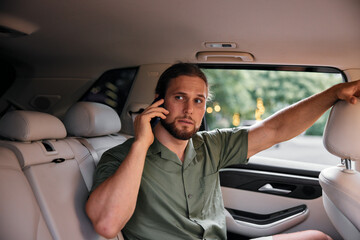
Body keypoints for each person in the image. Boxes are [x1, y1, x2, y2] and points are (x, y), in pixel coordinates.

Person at [86, 63, 359, 240]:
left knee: (317, 239)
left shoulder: (210, 146)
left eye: (198, 101)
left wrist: (334, 92)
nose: (189, 110)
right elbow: (107, 225)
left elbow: (275, 130)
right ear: (159, 100)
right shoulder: (121, 157)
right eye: (179, 97)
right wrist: (140, 144)